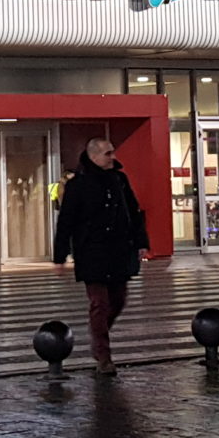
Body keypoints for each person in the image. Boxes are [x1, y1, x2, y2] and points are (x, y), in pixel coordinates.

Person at [52, 138, 149, 376]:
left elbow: (134, 212)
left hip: (118, 251)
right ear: (94, 156)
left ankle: (98, 334)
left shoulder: (119, 180)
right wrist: (60, 255)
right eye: (108, 153)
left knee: (118, 300)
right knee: (100, 302)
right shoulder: (78, 185)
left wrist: (141, 242)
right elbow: (66, 222)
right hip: (92, 253)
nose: (112, 157)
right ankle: (103, 356)